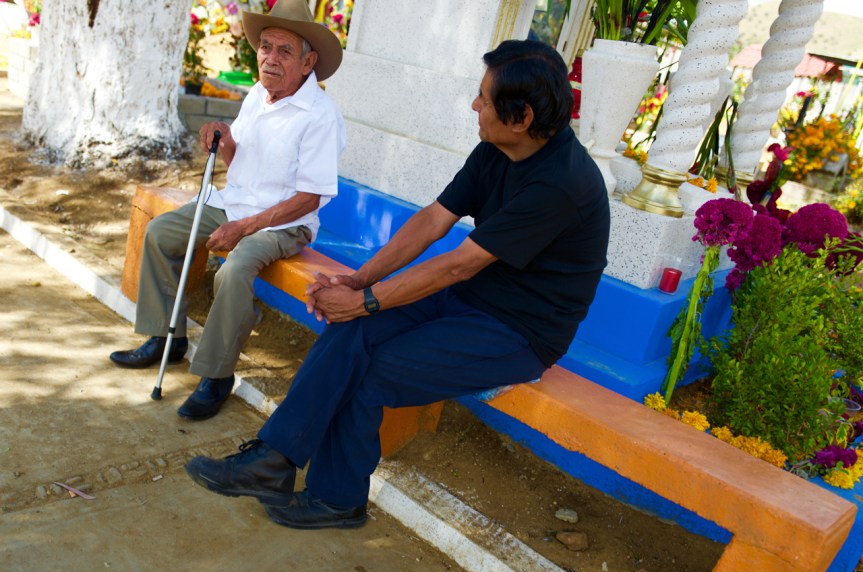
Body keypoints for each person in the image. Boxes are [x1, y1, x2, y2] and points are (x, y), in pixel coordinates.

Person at [184, 39, 610, 529]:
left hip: (519, 331)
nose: (474, 106)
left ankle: (337, 499)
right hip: (467, 299)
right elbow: (433, 219)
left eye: (485, 100)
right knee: (350, 334)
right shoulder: (498, 148)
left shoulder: (561, 183)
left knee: (371, 369)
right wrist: (359, 280)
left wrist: (364, 302)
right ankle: (272, 461)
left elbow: (458, 265)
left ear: (522, 118)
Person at [109, 0, 346, 421]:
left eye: (284, 51)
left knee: (234, 270)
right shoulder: (258, 93)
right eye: (265, 46)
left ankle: (217, 376)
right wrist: (222, 138)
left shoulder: (321, 116)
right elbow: (240, 163)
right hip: (236, 205)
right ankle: (167, 339)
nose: (270, 58)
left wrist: (244, 228)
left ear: (309, 62)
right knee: (162, 232)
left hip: (285, 223)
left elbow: (310, 198)